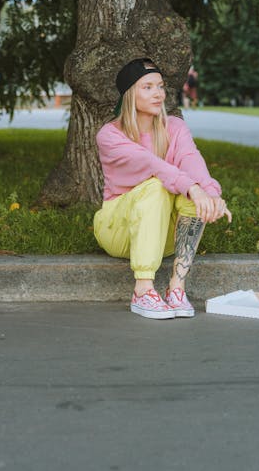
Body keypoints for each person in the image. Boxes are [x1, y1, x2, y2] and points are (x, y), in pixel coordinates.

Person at [94, 57, 232, 320]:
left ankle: (176, 289)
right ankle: (143, 290)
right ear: (129, 94)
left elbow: (191, 160)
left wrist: (212, 195)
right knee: (157, 187)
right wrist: (192, 187)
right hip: (117, 230)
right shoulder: (110, 135)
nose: (158, 93)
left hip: (162, 235)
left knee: (195, 195)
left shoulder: (175, 127)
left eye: (160, 86)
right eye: (147, 87)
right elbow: (151, 164)